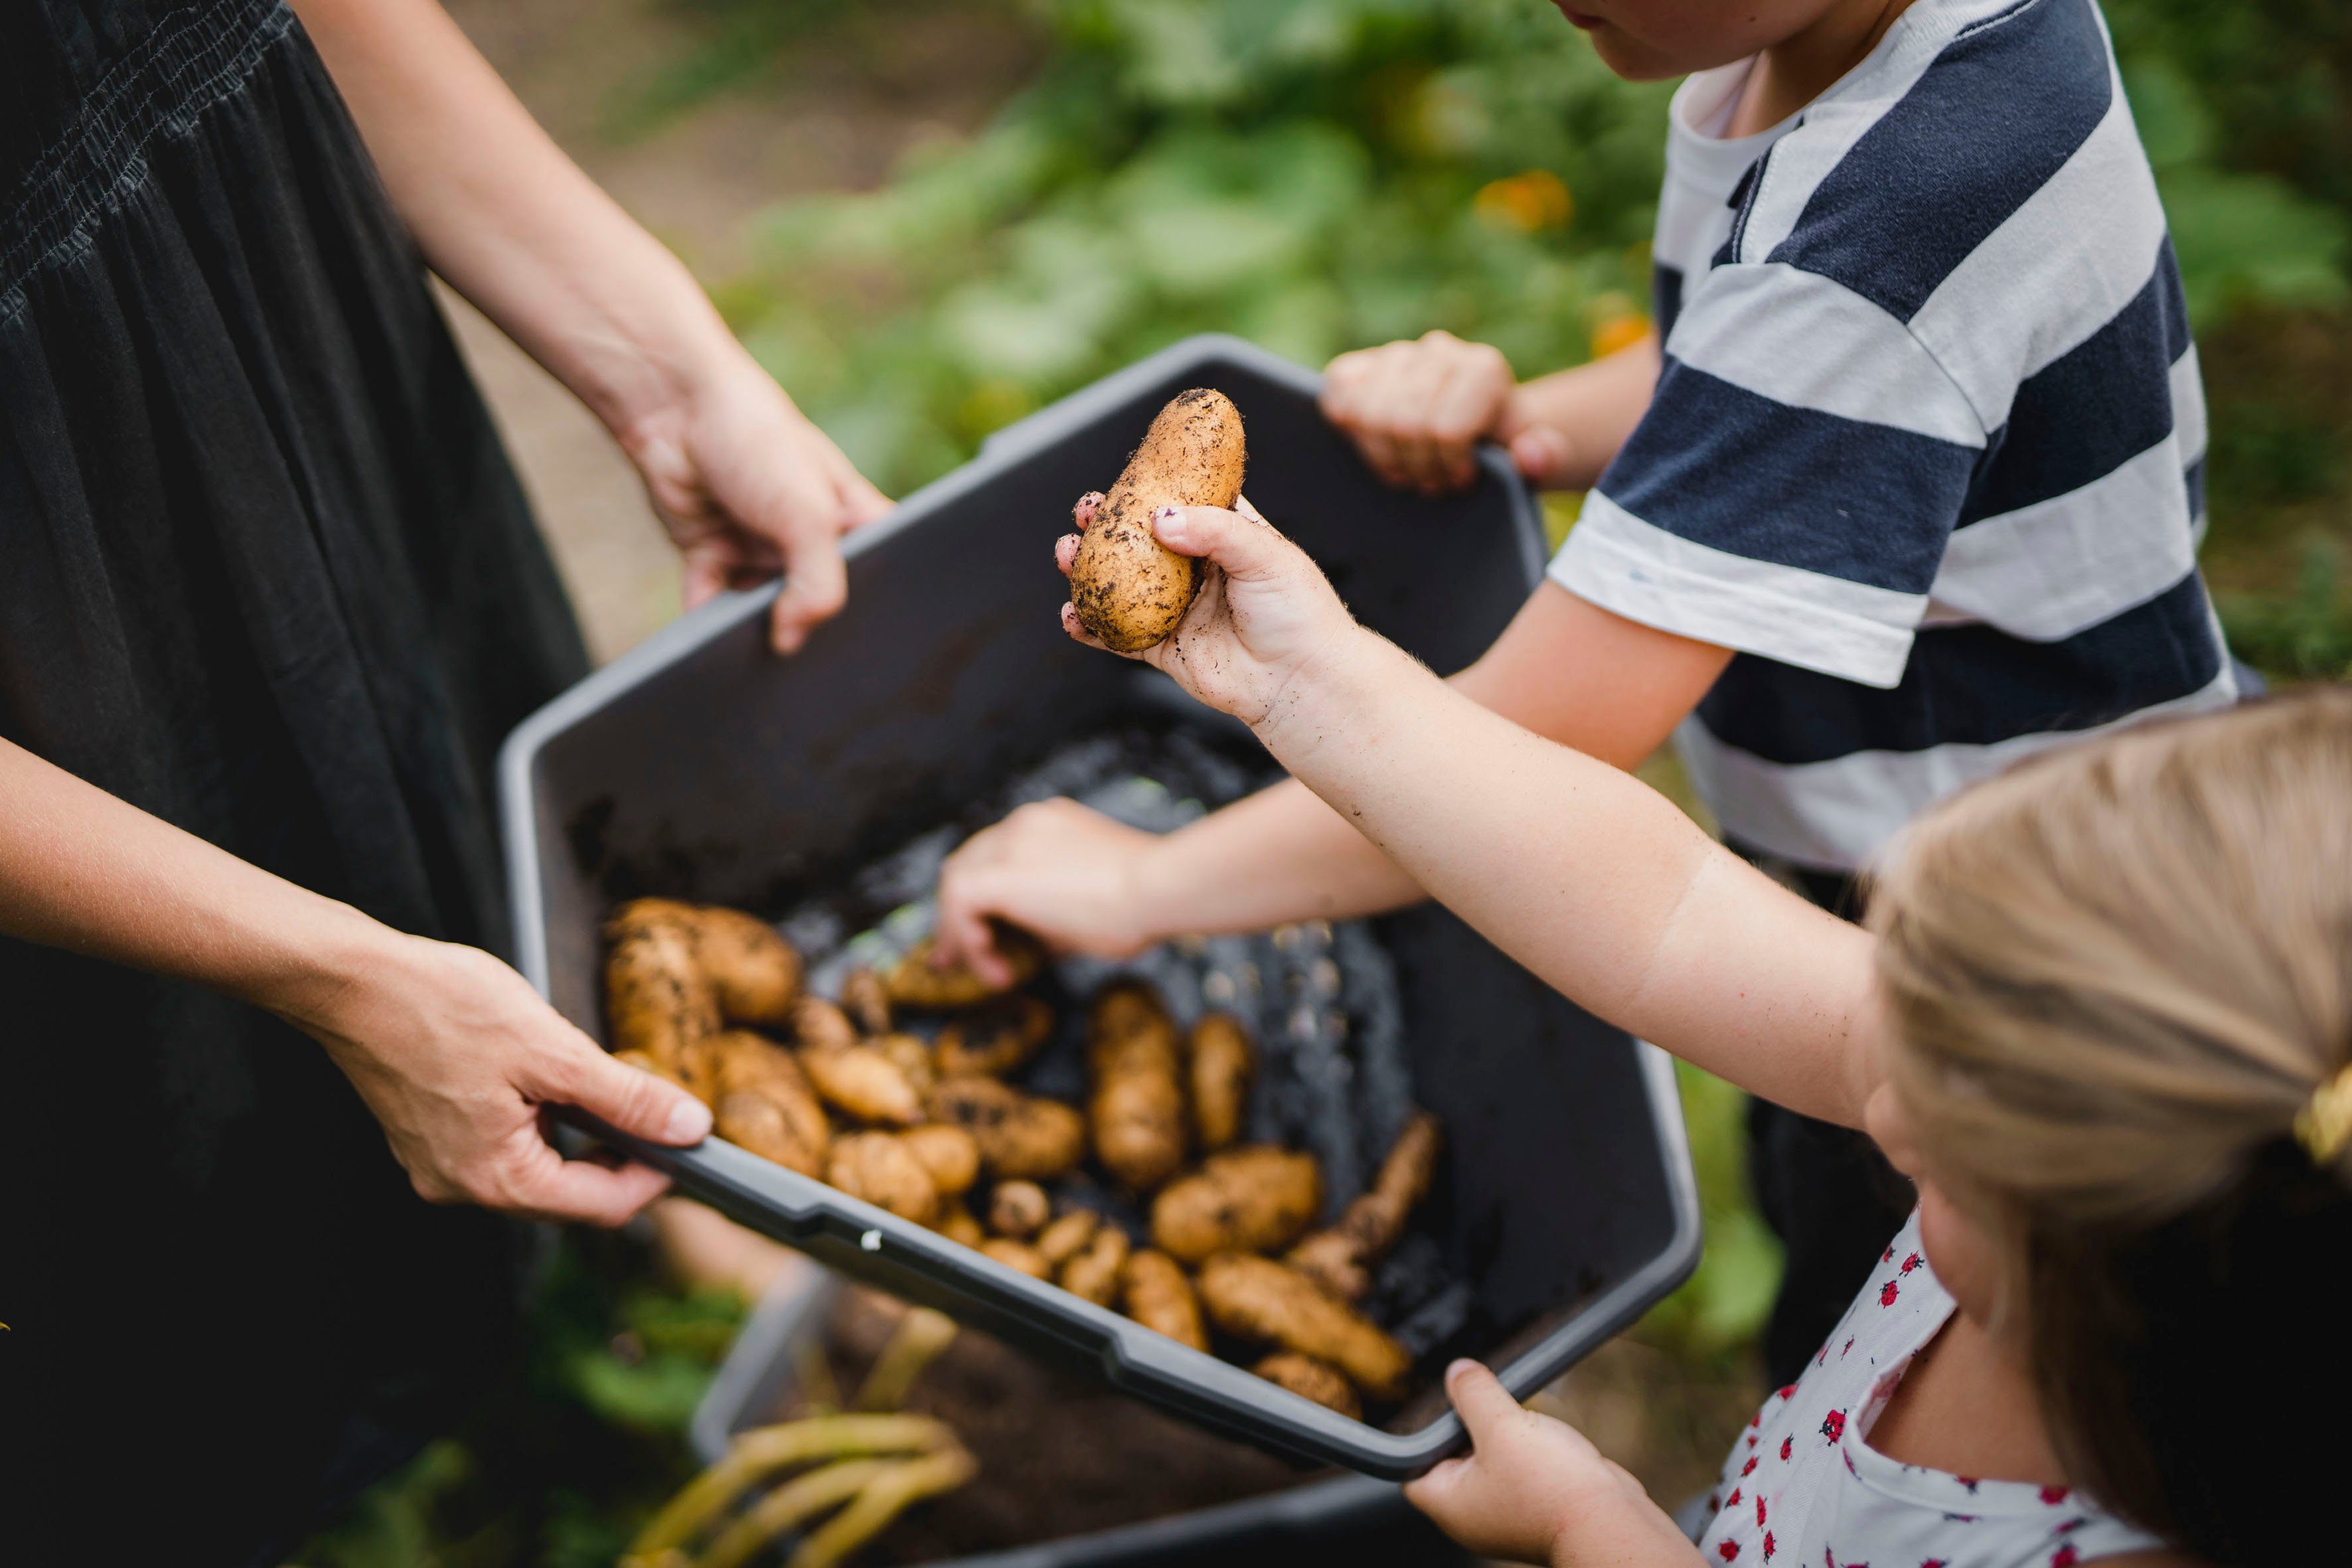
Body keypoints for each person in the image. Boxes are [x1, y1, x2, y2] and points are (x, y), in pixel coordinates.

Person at [934, 0, 2232, 1385]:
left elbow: (1524, 742)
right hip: (1959, 839)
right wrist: (1529, 421)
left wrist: (1142, 886)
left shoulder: (1906, 204)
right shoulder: (1855, 51)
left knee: (1903, 1340)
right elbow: (1751, 354)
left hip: (1998, 943)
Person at [1041, 493, 2344, 1567]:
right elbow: (1663, 914)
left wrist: (1588, 1523)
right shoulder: (2094, 1135)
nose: (1876, 1088)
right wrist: (1310, 686)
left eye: (1931, 1098)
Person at [1, 0, 884, 1560]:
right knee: (136, 1214)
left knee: (448, 787)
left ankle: (610, 1208)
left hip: (256, 321)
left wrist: (669, 366)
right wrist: (329, 970)